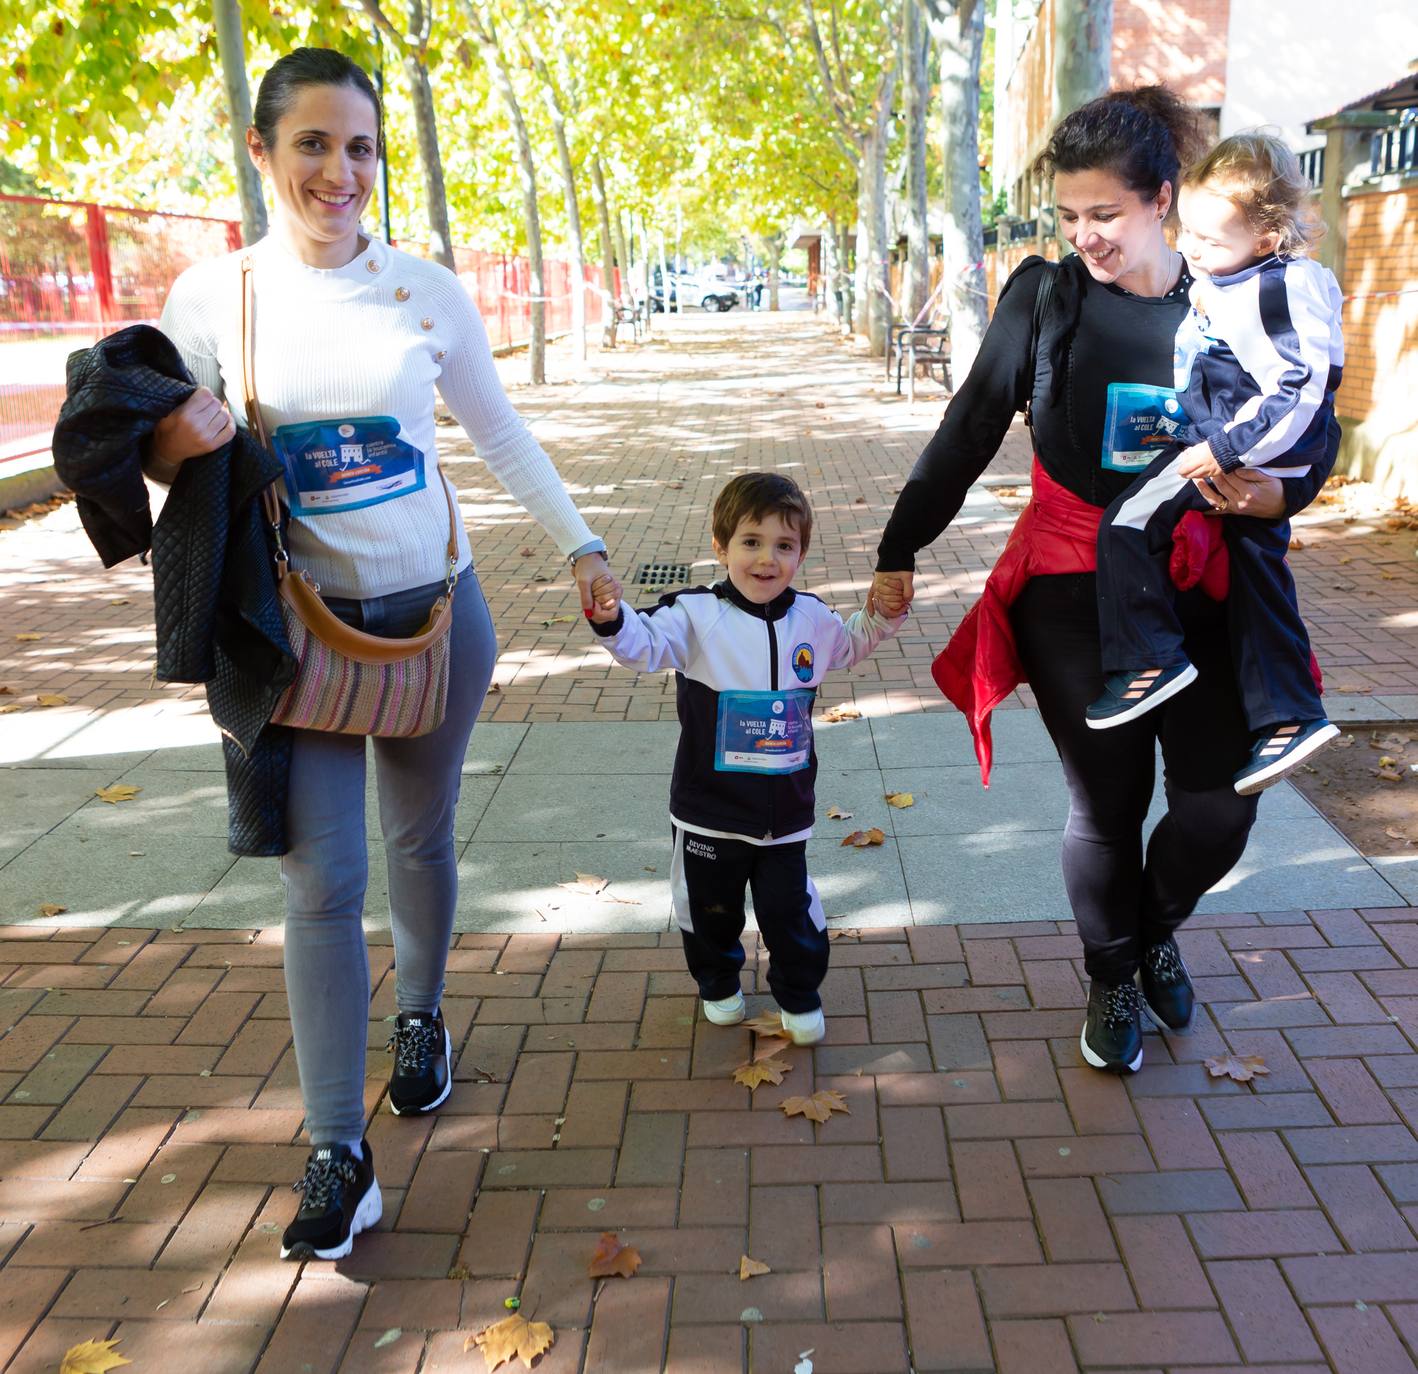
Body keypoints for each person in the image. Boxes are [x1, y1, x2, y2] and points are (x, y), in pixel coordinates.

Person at [145, 47, 621, 1261]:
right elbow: (151, 454)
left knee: (418, 837)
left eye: (359, 147)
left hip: (432, 622)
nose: (339, 171)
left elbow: (497, 432)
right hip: (288, 637)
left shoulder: (424, 290)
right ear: (260, 153)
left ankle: (421, 1017)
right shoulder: (213, 300)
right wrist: (174, 439)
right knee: (320, 883)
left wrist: (580, 546)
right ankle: (334, 1153)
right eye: (311, 143)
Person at [869, 88, 1338, 1075]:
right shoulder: (1045, 296)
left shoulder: (1230, 291)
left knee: (1220, 804)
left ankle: (1152, 927)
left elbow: (1311, 417)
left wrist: (1275, 500)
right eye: (1069, 215)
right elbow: (967, 429)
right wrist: (897, 546)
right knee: (1108, 803)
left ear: (1160, 198)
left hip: (1201, 584)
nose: (1084, 235)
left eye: (1105, 215)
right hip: (1071, 588)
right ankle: (1111, 971)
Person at [588, 473, 903, 1044]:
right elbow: (642, 646)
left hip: (785, 811)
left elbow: (849, 645)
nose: (767, 559)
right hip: (710, 809)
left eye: (784, 546)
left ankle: (800, 994)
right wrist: (611, 617)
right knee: (710, 909)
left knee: (792, 910)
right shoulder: (693, 615)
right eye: (751, 542)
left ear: (801, 553)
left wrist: (882, 615)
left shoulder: (811, 617)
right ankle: (718, 985)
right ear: (721, 547)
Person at [1088, 131, 1342, 795]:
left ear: (1264, 238)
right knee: (1261, 590)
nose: (1190, 247)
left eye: (1210, 239)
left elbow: (1302, 389)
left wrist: (1222, 448)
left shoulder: (1271, 288)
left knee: (1125, 525)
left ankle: (1149, 660)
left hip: (1238, 450)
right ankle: (1291, 719)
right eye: (1187, 231)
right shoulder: (1241, 278)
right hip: (1253, 452)